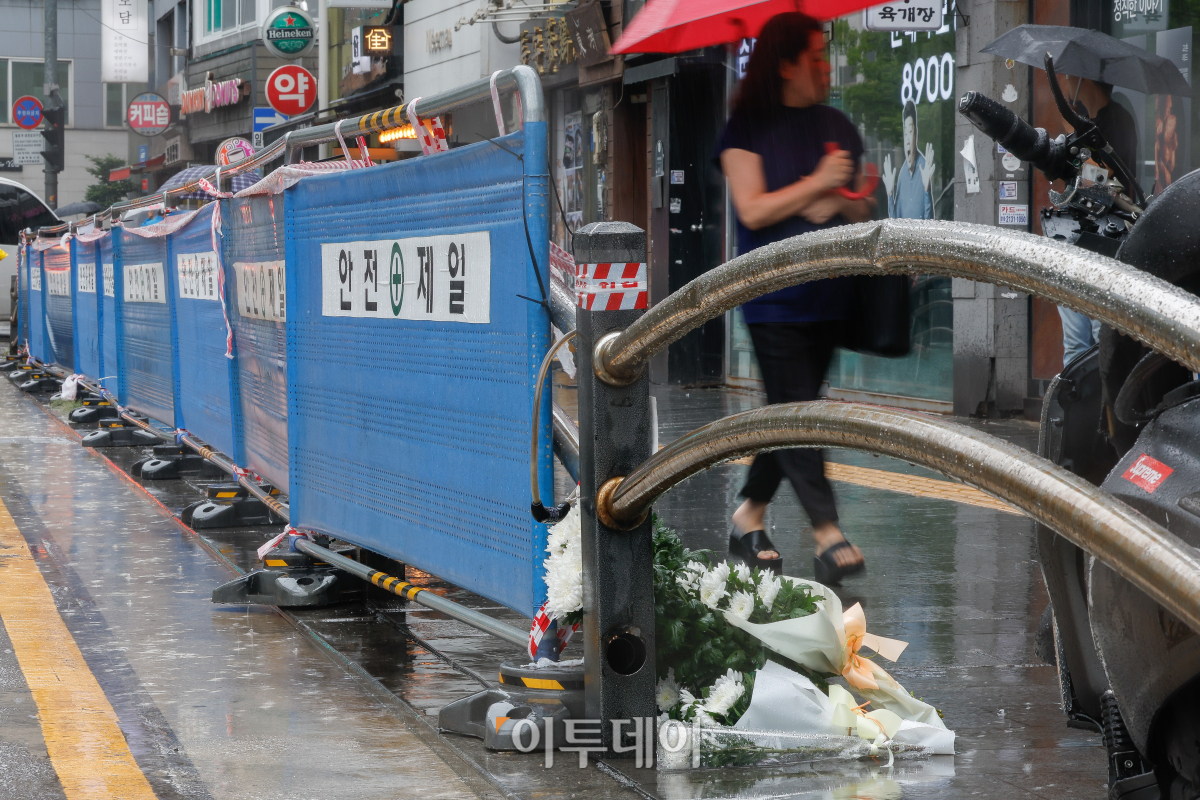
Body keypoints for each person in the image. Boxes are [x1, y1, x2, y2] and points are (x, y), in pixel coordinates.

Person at [717, 12, 876, 584]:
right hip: (773, 299)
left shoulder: (835, 124)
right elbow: (754, 208)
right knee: (800, 412)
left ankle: (749, 514)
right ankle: (827, 533)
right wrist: (817, 185)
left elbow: (859, 209)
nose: (824, 66)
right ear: (785, 65)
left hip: (829, 297)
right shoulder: (745, 129)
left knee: (792, 410)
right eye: (813, 56)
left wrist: (843, 197)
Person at [1058, 76, 1139, 367]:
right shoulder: (1088, 122)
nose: (1063, 82)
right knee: (1076, 341)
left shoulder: (1115, 122)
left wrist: (1076, 146)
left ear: (1082, 81)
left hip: (1104, 239)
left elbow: (1110, 187)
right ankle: (1076, 409)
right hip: (1076, 236)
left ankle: (1102, 409)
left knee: (1098, 335)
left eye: (1067, 76)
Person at [882, 100, 935, 220]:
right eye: (905, 133)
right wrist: (890, 194)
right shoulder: (902, 175)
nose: (907, 140)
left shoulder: (924, 167)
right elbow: (895, 223)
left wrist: (926, 190)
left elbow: (930, 224)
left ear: (915, 134)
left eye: (910, 132)